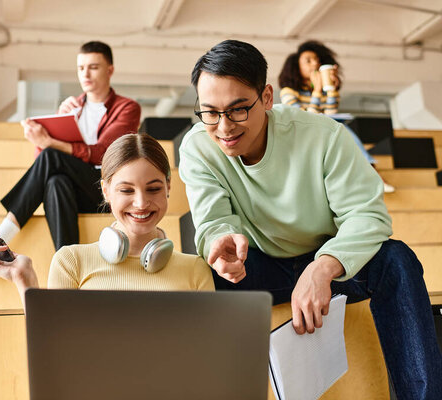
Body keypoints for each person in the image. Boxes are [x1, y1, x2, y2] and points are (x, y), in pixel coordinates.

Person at [179, 39, 441, 399]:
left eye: (239, 109)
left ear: (267, 97)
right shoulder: (197, 148)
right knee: (197, 279)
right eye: (210, 112)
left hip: (328, 265)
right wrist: (220, 239)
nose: (224, 127)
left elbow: (368, 216)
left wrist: (323, 267)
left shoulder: (324, 137)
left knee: (396, 260)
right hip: (259, 266)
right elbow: (212, 218)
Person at [0, 41, 141, 274]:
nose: (86, 74)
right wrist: (55, 126)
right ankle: (69, 270)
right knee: (55, 182)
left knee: (53, 157)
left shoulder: (128, 107)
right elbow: (43, 162)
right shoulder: (72, 108)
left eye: (93, 67)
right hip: (75, 190)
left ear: (109, 70)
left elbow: (104, 152)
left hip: (105, 191)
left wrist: (50, 143)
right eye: (81, 68)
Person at [0, 133, 214, 303]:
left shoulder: (195, 269)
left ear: (168, 186)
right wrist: (23, 279)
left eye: (153, 189)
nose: (141, 203)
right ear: (106, 191)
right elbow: (54, 346)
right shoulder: (70, 261)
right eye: (126, 190)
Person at [278, 40, 394, 192]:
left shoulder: (325, 91)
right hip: (299, 134)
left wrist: (331, 88)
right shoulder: (288, 91)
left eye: (317, 61)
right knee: (342, 131)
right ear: (296, 66)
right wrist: (317, 91)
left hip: (321, 131)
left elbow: (331, 113)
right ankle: (373, 174)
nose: (314, 64)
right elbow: (302, 120)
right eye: (308, 61)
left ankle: (370, 174)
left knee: (340, 129)